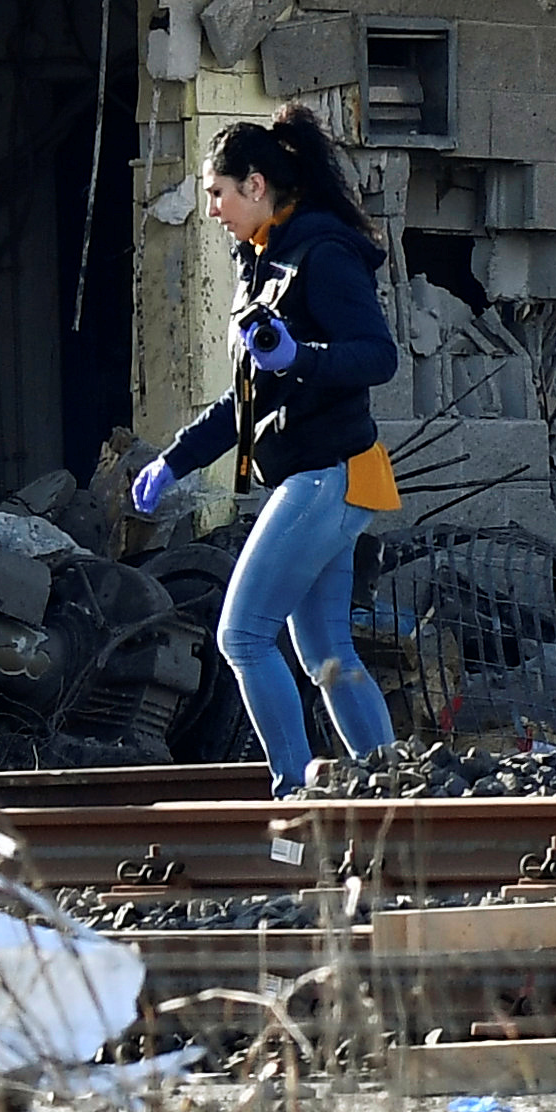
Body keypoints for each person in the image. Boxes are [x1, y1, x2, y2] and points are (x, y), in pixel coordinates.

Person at [128, 105, 406, 793]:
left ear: (255, 185)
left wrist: (300, 356)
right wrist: (174, 459)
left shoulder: (321, 254)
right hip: (321, 476)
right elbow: (246, 400)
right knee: (328, 654)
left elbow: (377, 357)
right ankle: (393, 786)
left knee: (242, 636)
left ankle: (294, 792)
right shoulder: (264, 262)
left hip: (327, 475)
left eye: (218, 193)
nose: (213, 209)